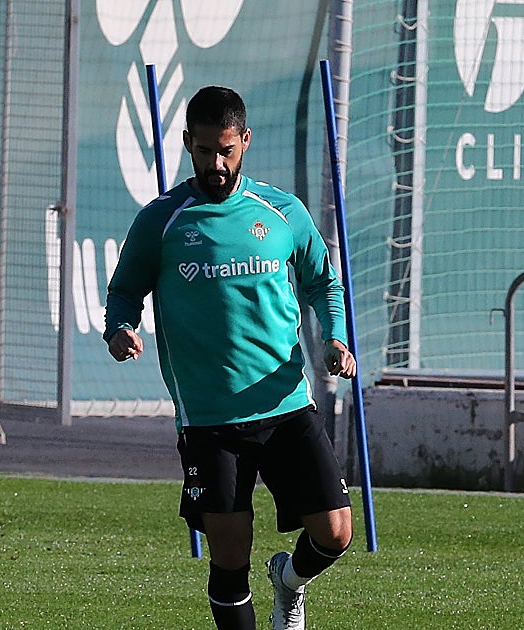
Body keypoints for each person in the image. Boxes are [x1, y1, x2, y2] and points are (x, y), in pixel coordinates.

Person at [103, 85, 355, 630]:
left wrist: (336, 337)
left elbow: (322, 283)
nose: (215, 164)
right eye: (203, 152)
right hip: (211, 420)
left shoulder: (282, 211)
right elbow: (124, 291)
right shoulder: (162, 220)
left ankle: (289, 583)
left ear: (244, 141)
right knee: (229, 556)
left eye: (226, 150)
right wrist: (120, 328)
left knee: (335, 532)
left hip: (285, 403)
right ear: (187, 143)